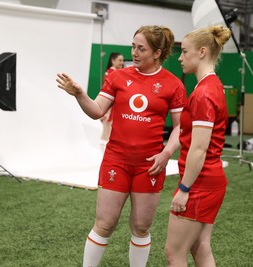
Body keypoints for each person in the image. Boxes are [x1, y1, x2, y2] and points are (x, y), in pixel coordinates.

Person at [56, 25, 187, 267]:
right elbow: (96, 111)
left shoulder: (173, 84)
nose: (134, 53)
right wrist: (79, 94)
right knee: (104, 224)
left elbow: (181, 127)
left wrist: (166, 153)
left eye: (141, 48)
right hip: (116, 160)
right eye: (133, 47)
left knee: (140, 227)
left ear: (157, 53)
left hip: (149, 166)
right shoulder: (117, 77)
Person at [165, 25, 232, 267]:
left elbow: (199, 148)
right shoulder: (210, 86)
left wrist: (184, 188)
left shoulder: (204, 92)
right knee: (200, 247)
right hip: (210, 179)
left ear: (202, 52)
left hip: (200, 182)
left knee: (174, 252)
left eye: (184, 52)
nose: (180, 58)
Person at [100, 52, 125, 150]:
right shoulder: (110, 73)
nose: (122, 63)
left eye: (122, 60)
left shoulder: (117, 73)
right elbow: (108, 94)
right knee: (106, 132)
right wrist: (106, 111)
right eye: (120, 60)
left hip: (115, 108)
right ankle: (102, 156)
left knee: (110, 132)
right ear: (113, 61)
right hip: (110, 108)